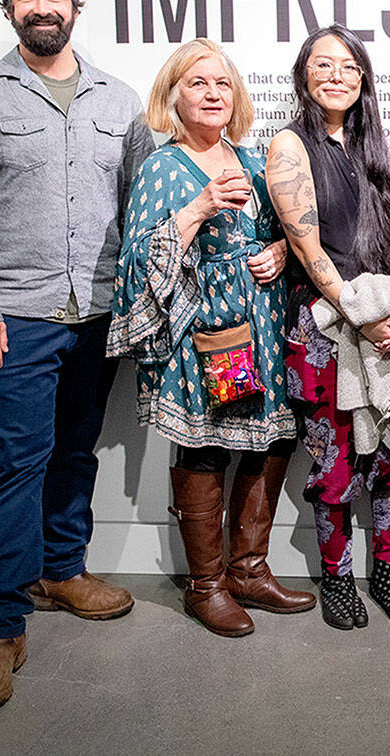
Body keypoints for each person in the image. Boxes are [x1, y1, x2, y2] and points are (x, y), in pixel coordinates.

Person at [0, 0, 153, 714]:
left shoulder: (120, 101)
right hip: (13, 318)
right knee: (16, 467)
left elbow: (142, 209)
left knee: (73, 452)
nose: (41, 5)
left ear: (76, 9)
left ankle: (63, 570)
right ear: (10, 12)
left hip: (95, 315)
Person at [107, 38, 314, 639]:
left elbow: (290, 234)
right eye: (197, 83)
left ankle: (250, 571)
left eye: (222, 83)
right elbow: (136, 262)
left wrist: (278, 250)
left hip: (264, 329)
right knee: (207, 448)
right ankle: (207, 586)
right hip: (207, 337)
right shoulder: (161, 168)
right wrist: (196, 208)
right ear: (173, 95)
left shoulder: (253, 162)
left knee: (269, 442)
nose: (212, 93)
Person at [265, 25, 390, 630]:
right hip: (329, 333)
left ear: (363, 79)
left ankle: (386, 571)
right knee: (334, 468)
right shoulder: (290, 146)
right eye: (322, 64)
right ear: (304, 76)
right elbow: (309, 251)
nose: (336, 75)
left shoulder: (377, 153)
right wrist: (364, 314)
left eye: (348, 66)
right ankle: (337, 578)